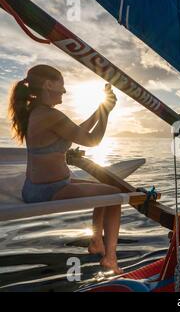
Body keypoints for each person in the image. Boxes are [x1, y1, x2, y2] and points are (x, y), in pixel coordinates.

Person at [8, 64, 123, 274]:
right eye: (62, 83)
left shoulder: (39, 112)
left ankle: (97, 241)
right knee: (115, 195)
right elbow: (92, 140)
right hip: (49, 190)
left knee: (104, 188)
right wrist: (106, 113)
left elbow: (77, 131)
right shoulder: (49, 115)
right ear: (49, 84)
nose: (64, 90)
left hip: (41, 186)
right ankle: (110, 257)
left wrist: (102, 108)